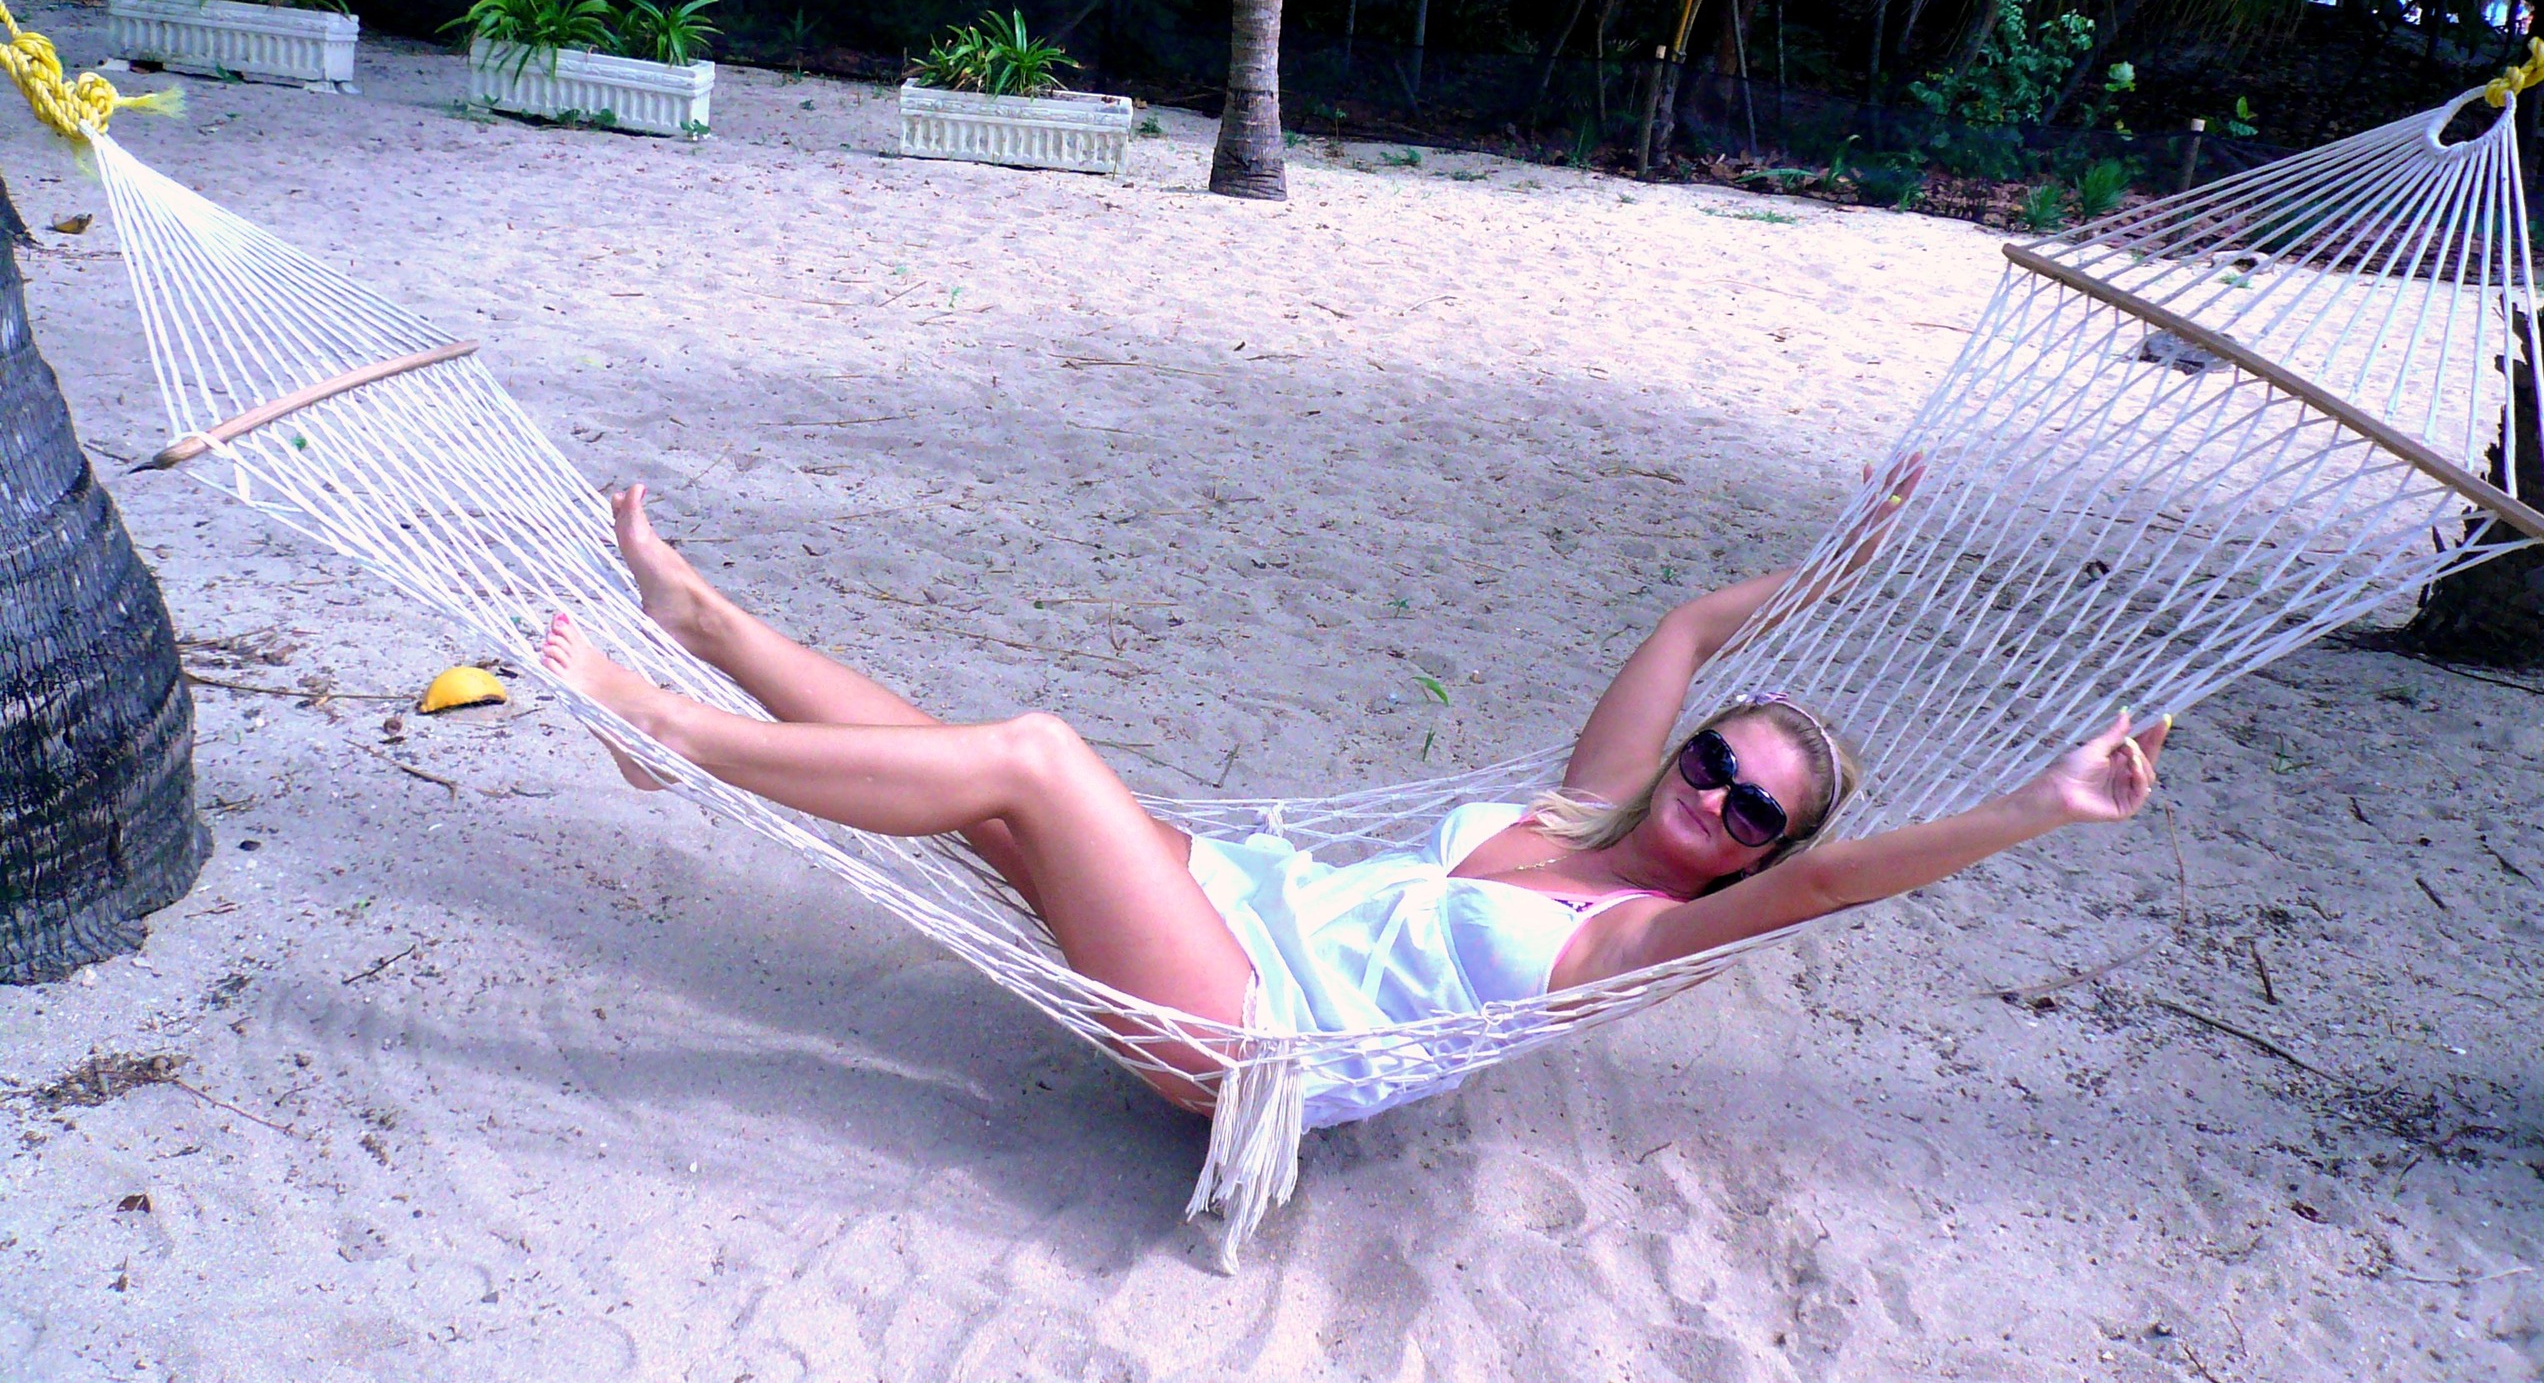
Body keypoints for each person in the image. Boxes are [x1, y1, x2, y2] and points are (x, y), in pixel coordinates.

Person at [540, 478, 2169, 1124]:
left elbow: (1829, 888)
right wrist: (1839, 570)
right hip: (1242, 908)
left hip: (1254, 1039)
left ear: (1762, 859)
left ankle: (669, 731)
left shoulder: (1630, 939)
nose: (1721, 804)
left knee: (1034, 758)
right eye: (1717, 767)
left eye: (1757, 817)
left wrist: (2036, 806)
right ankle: (710, 627)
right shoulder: (1593, 812)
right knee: (985, 796)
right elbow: (1681, 634)